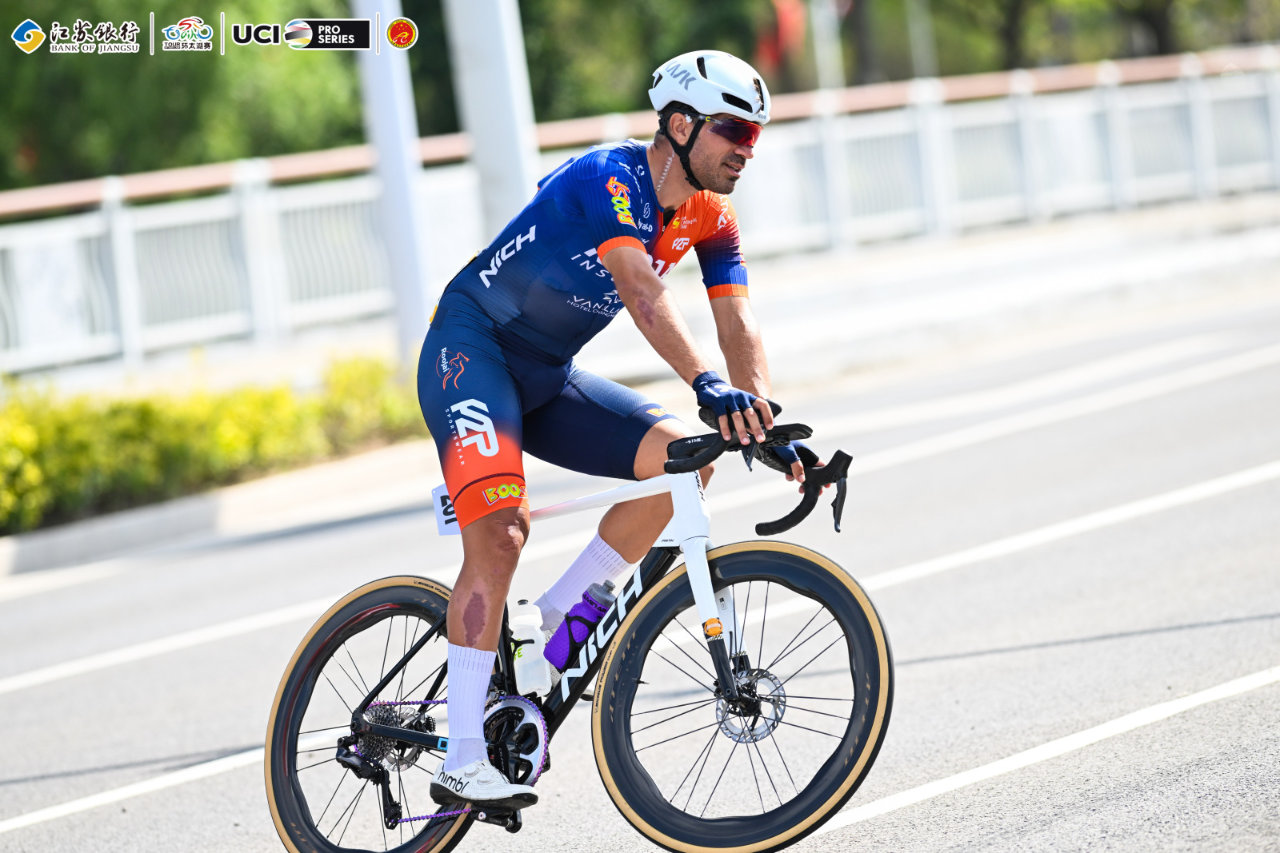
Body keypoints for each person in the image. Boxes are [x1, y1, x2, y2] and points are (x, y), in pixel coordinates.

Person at [419, 49, 809, 810]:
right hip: (471, 351)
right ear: (679, 124)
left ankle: (555, 619)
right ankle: (460, 757)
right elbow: (641, 291)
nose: (746, 149)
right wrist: (706, 385)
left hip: (545, 376)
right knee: (501, 533)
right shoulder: (611, 178)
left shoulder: (710, 215)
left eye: (756, 135)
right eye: (734, 130)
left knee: (687, 461)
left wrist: (758, 416)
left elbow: (737, 320)